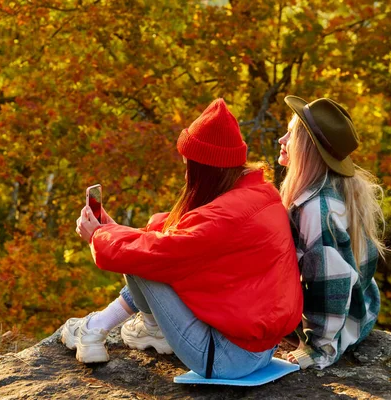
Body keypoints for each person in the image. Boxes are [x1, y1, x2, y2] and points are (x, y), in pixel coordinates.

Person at [61, 99, 303, 379]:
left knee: (143, 260)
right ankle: (138, 328)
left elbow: (157, 252)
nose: (186, 171)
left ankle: (105, 329)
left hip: (224, 358)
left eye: (190, 165)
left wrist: (100, 236)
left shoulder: (223, 217)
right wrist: (116, 231)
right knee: (142, 249)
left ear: (207, 169)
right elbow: (185, 236)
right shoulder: (261, 195)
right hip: (258, 349)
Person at [279, 95, 387, 369]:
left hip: (339, 325)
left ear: (305, 148)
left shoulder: (316, 209)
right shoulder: (336, 187)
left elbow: (332, 282)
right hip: (362, 306)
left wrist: (317, 348)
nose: (281, 140)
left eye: (290, 134)